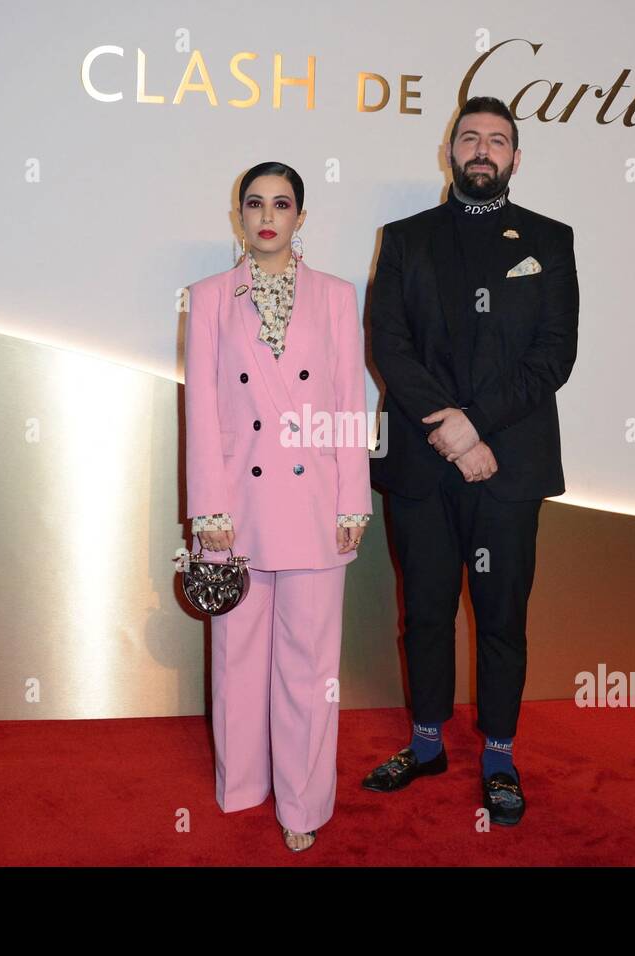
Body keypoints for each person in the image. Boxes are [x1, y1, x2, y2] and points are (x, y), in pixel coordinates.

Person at [363, 96, 579, 825]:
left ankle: (498, 754)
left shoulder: (550, 240)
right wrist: (448, 432)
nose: (481, 149)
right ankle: (426, 744)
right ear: (448, 152)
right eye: (469, 138)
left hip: (508, 466)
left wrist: (476, 426)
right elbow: (388, 343)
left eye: (497, 140)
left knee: (500, 616)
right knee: (422, 610)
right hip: (423, 467)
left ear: (516, 158)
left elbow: (555, 357)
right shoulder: (403, 238)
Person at [183, 162, 372, 852]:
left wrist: (355, 497)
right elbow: (201, 408)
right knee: (237, 651)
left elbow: (351, 401)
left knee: (310, 663)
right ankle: (242, 786)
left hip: (316, 501)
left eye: (282, 203)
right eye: (254, 203)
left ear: (301, 216)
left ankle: (302, 802)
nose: (268, 215)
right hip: (235, 503)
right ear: (238, 216)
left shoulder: (334, 296)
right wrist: (207, 506)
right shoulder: (208, 297)